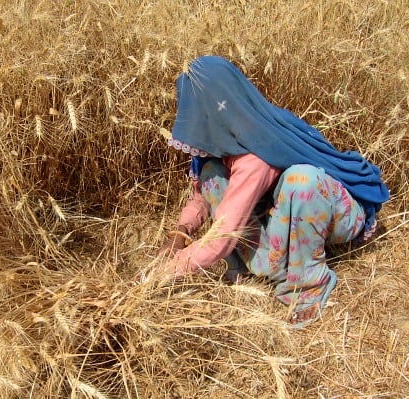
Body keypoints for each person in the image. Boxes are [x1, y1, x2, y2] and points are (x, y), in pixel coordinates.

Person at [156, 55, 389, 328]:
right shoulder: (220, 141)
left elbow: (223, 233)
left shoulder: (255, 151)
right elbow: (201, 195)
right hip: (286, 213)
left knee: (300, 181)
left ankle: (308, 283)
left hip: (336, 212)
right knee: (212, 175)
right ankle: (264, 266)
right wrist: (181, 232)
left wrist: (162, 274)